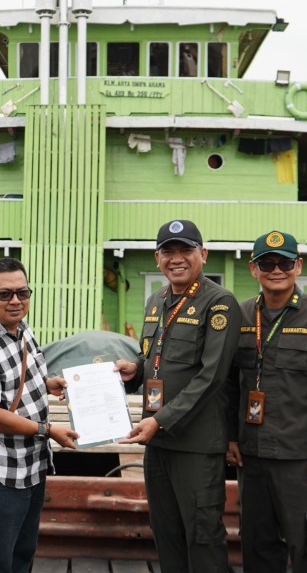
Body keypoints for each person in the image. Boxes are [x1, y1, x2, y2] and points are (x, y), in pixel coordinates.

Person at [116, 220, 241, 573]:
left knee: (203, 534)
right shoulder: (156, 300)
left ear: (203, 254)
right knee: (166, 532)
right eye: (168, 251)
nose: (176, 259)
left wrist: (161, 419)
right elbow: (156, 359)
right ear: (157, 258)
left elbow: (212, 376)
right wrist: (135, 370)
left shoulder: (219, 302)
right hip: (158, 442)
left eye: (185, 250)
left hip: (195, 443)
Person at [225, 230, 307, 573]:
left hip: (300, 457)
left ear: (298, 266)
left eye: (285, 263)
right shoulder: (241, 315)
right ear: (253, 269)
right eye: (267, 263)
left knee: (305, 542)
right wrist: (231, 437)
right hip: (252, 454)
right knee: (256, 541)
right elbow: (230, 385)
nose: (276, 270)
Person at [0, 257, 79, 573]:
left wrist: (47, 383)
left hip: (31, 467)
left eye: (23, 293)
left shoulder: (22, 330)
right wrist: (47, 430)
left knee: (22, 556)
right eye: (5, 294)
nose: (15, 301)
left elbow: (12, 384)